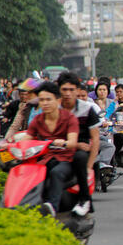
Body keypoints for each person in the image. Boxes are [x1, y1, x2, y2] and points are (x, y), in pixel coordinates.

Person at [21, 82, 79, 217]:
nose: (45, 103)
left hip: (66, 160)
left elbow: (72, 142)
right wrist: (10, 144)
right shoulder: (38, 120)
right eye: (42, 100)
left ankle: (52, 207)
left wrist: (63, 143)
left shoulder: (69, 118)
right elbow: (27, 138)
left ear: (58, 100)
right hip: (46, 158)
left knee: (56, 172)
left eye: (48, 99)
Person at [58, 72, 101, 216]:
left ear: (77, 90)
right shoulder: (53, 108)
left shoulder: (87, 109)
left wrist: (89, 166)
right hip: (56, 149)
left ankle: (85, 199)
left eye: (72, 90)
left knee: (80, 157)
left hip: (80, 151)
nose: (68, 93)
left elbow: (95, 138)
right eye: (64, 90)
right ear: (59, 90)